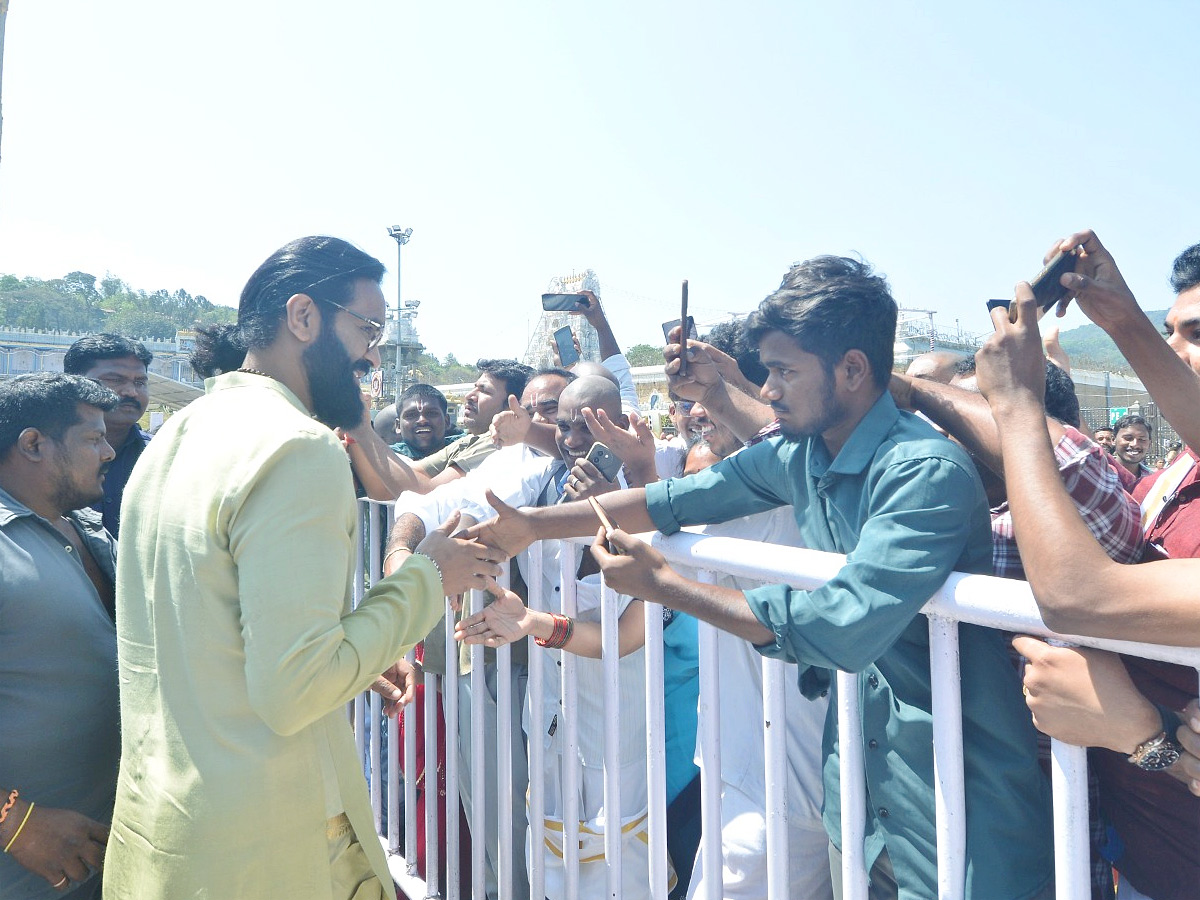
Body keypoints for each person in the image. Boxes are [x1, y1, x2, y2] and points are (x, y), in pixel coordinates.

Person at [468, 255, 1053, 900]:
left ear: (853, 370)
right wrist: (531, 524)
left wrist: (665, 586)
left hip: (955, 785)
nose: (768, 391)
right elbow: (677, 500)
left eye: (783, 371)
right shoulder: (802, 454)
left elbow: (842, 622)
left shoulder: (923, 471)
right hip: (855, 780)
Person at [101, 236, 502, 900]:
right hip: (261, 846)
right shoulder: (298, 448)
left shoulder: (179, 431)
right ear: (304, 318)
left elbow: (211, 623)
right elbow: (295, 687)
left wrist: (358, 647)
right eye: (367, 328)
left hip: (163, 835)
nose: (374, 353)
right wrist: (430, 578)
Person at [975, 231, 1200, 900]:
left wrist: (1017, 403)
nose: (1174, 350)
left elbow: (1076, 596)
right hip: (1143, 863)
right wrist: (1123, 318)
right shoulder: (1171, 477)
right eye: (1171, 331)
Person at [0, 374, 120, 900]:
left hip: (96, 859)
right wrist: (12, 821)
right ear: (33, 444)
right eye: (93, 438)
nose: (111, 450)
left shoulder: (86, 530)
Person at [348, 359, 533, 500]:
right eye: (474, 388)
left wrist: (363, 429)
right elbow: (385, 488)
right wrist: (355, 433)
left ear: (513, 406)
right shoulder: (469, 441)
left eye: (484, 391)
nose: (469, 396)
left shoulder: (498, 444)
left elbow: (423, 492)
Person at [63, 333, 153, 536]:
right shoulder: (40, 455)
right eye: (115, 380)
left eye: (140, 382)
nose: (131, 392)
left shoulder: (162, 456)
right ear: (73, 382)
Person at [391, 383, 460, 461]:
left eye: (431, 413)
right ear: (398, 425)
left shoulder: (464, 452)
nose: (422, 420)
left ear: (447, 421)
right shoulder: (387, 459)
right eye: (411, 415)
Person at [1111, 412, 1154, 480]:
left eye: (1142, 439)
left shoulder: (1155, 481)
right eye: (1128, 438)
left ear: (1149, 444)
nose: (1135, 444)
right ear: (1113, 440)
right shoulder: (1101, 475)